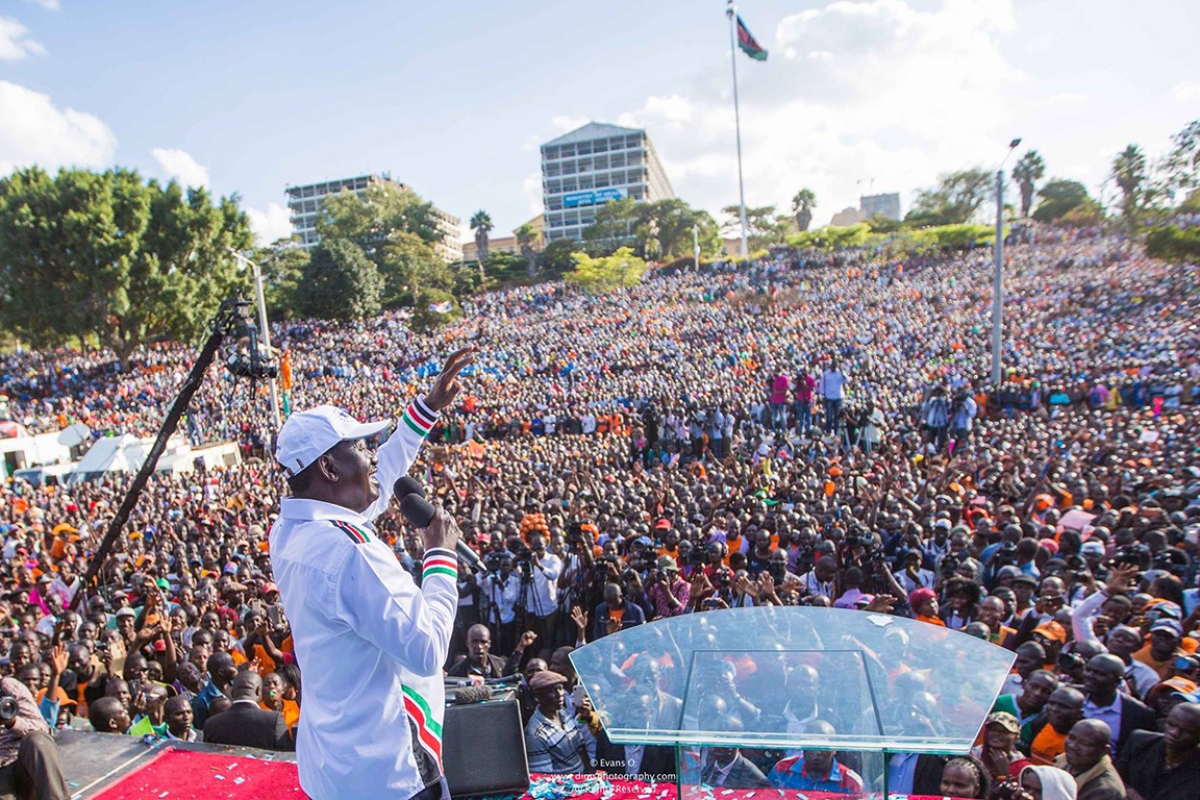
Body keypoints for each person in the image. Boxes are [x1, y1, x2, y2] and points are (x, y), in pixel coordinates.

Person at [269, 347, 473, 800]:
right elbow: (426, 649)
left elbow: (373, 488)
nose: (372, 457)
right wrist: (439, 557)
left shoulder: (289, 531)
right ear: (328, 467)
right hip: (390, 772)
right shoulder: (352, 552)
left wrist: (425, 411)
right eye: (361, 447)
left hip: (336, 764)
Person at [0, 676, 69, 800]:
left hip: (21, 764)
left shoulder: (8, 687)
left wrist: (12, 722)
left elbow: (42, 729)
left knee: (37, 739)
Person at [1116, 702, 1200, 800]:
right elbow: (1116, 777)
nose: (1174, 733)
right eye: (1171, 725)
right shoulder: (1139, 742)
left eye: (1186, 731)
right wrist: (1132, 794)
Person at [1081, 655, 1156, 756]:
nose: (1090, 676)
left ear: (1118, 681)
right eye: (1088, 670)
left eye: (1100, 674)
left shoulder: (1139, 713)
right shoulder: (1070, 696)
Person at [202, 671, 293, 752]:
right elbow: (288, 757)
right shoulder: (274, 720)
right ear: (258, 691)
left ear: (232, 693)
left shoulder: (211, 724)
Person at [524, 671, 593, 774]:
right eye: (551, 691)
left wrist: (590, 774)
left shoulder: (565, 713)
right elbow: (543, 778)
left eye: (560, 688)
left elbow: (580, 747)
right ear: (537, 697)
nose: (559, 694)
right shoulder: (535, 734)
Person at [767, 720, 864, 792]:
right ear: (802, 745)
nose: (816, 751)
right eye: (811, 743)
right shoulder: (782, 769)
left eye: (822, 745)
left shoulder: (851, 783)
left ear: (834, 749)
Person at [1058, 719, 1125, 800]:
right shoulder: (1062, 761)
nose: (1072, 746)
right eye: (1071, 738)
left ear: (1104, 751)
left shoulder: (1105, 792)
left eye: (1085, 744)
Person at [1023, 686, 1085, 766]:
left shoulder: (1083, 739)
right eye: (1052, 703)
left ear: (1079, 713)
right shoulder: (1040, 722)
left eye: (1063, 706)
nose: (1054, 709)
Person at [972, 711, 1032, 783]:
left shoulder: (1022, 768)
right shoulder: (971, 755)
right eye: (992, 729)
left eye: (1004, 731)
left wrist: (1003, 775)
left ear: (1016, 738)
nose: (996, 733)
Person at [445, 624, 520, 679]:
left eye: (483, 642)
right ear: (467, 643)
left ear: (489, 644)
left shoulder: (501, 666)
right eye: (474, 642)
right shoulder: (456, 673)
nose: (479, 646)